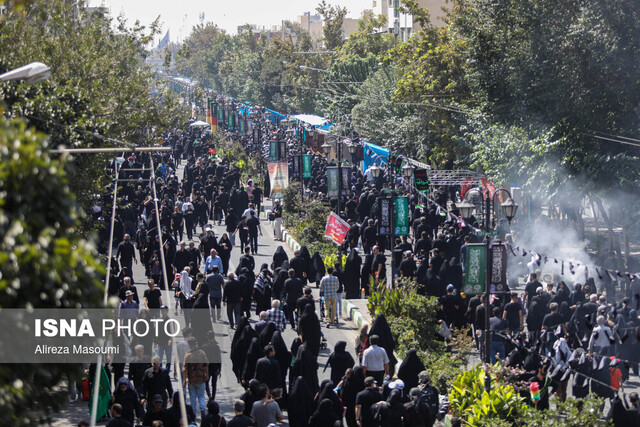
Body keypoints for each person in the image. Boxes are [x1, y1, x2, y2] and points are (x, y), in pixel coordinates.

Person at [183, 337, 209, 418]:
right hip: (201, 378)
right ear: (196, 343)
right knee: (201, 395)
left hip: (191, 379)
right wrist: (206, 374)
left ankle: (193, 413)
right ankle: (203, 408)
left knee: (192, 397)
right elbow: (206, 364)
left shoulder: (187, 356)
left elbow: (185, 369)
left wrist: (184, 379)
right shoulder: (201, 353)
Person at [201, 330, 222, 400]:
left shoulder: (204, 347)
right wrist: (219, 369)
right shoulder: (217, 347)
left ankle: (209, 395)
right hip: (215, 368)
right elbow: (219, 358)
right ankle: (213, 397)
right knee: (214, 384)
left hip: (207, 368)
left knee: (206, 383)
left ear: (207, 337)